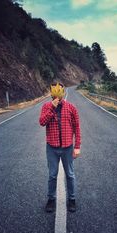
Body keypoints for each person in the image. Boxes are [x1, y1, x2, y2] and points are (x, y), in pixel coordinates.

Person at [39, 82, 81, 212]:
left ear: (63, 93)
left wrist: (77, 146)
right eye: (55, 93)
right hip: (52, 147)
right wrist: (52, 108)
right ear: (51, 93)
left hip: (68, 148)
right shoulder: (46, 107)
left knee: (70, 174)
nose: (57, 96)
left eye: (60, 92)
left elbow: (77, 128)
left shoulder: (71, 108)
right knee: (52, 175)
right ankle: (51, 200)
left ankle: (72, 199)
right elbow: (42, 122)